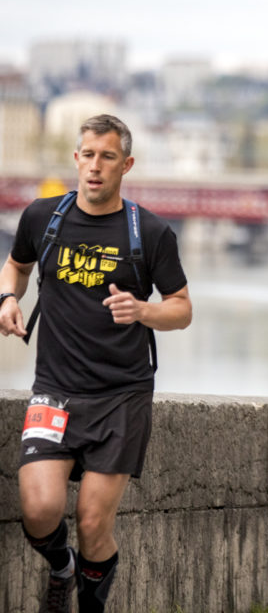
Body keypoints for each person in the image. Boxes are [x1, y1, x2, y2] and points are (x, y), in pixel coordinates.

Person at [0, 114, 192, 613]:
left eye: (107, 157)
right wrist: (7, 298)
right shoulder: (43, 217)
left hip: (121, 396)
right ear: (76, 158)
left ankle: (89, 604)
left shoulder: (149, 232)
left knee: (91, 522)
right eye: (87, 154)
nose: (95, 167)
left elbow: (182, 307)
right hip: (55, 389)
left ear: (125, 164)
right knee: (39, 509)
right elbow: (17, 265)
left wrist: (144, 310)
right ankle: (60, 568)